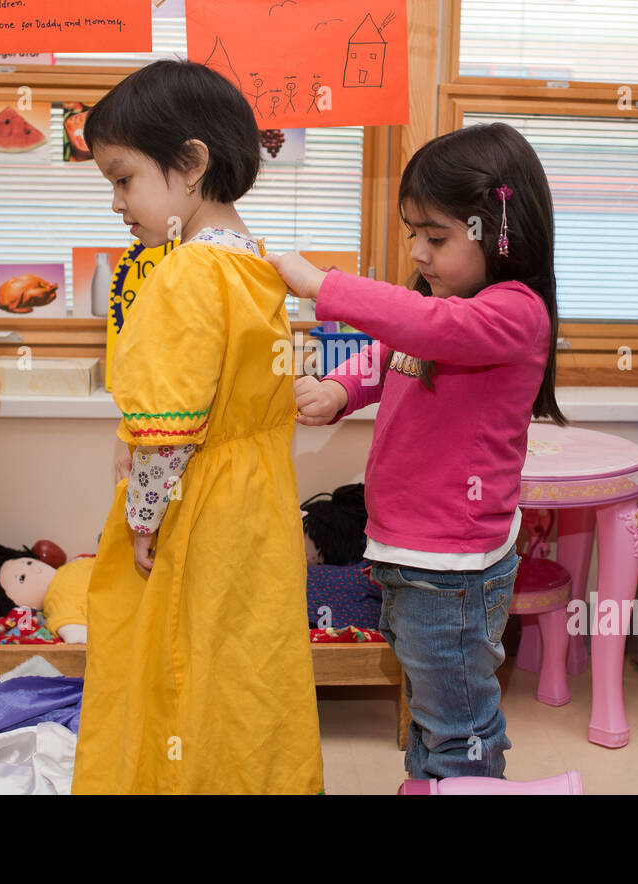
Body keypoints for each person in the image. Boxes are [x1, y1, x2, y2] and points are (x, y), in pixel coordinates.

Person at [267, 122, 565, 780]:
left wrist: (324, 285)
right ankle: (429, 783)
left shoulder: (514, 312)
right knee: (432, 705)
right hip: (408, 551)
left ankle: (460, 784)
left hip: (452, 564)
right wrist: (340, 389)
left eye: (436, 236)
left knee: (458, 720)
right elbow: (396, 351)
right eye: (412, 233)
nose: (419, 252)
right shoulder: (447, 303)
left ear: (498, 231)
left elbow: (422, 325)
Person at [71, 60, 323, 794]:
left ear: (190, 163)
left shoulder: (185, 274)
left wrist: (143, 519)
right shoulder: (254, 264)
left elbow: (168, 432)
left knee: (175, 666)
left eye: (124, 180)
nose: (117, 203)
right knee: (244, 666)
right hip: (258, 501)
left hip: (200, 505)